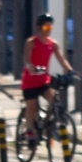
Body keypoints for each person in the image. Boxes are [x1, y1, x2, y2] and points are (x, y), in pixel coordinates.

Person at [18, 14, 61, 143]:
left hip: (43, 81)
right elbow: (26, 57)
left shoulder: (53, 44)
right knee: (32, 105)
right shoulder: (31, 42)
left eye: (50, 26)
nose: (48, 29)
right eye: (46, 26)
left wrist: (70, 70)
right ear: (39, 27)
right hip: (30, 82)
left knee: (54, 100)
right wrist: (30, 66)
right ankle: (30, 130)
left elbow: (61, 59)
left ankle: (50, 125)